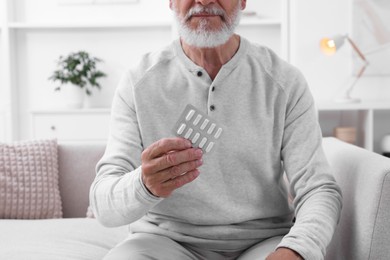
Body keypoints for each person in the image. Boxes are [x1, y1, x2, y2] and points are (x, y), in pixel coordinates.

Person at [89, 0, 342, 259]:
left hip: (263, 242)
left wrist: (296, 249)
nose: (204, 1)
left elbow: (318, 189)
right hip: (164, 242)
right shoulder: (138, 83)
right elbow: (103, 206)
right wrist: (144, 184)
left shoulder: (285, 82)